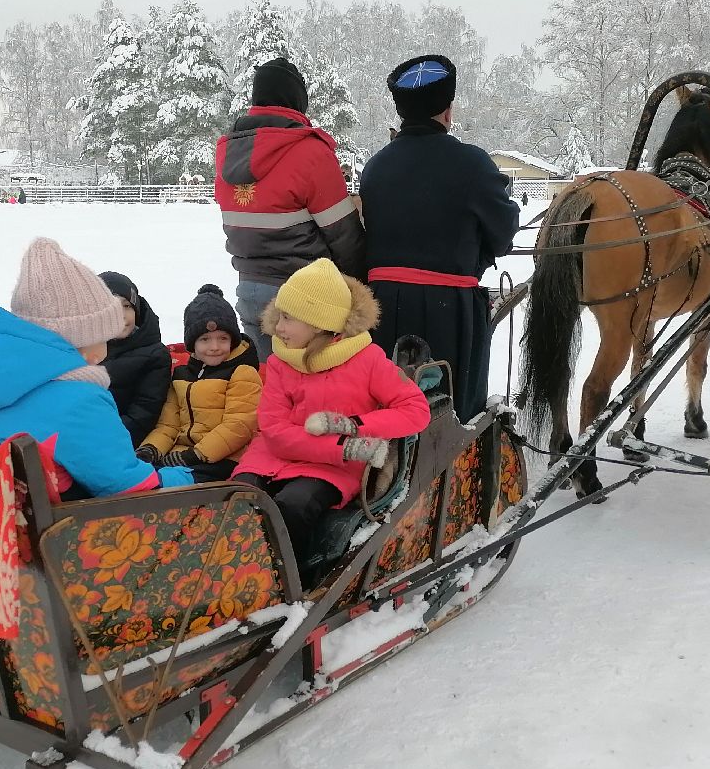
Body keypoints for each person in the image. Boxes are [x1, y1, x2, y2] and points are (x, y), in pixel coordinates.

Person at [233, 258, 430, 579]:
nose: (277, 327)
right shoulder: (282, 360)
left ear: (319, 323)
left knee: (292, 508)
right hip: (276, 455)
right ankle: (229, 574)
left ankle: (282, 582)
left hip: (331, 469)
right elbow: (273, 429)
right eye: (279, 316)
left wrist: (356, 428)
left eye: (287, 318)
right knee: (237, 500)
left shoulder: (367, 360)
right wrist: (340, 446)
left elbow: (415, 410)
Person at [0, 238, 193, 499]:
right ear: (83, 340)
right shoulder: (80, 400)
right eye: (103, 336)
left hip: (1, 516)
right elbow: (124, 483)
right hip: (63, 529)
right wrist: (179, 477)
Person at [357, 55, 520, 422]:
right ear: (447, 111)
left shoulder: (376, 166)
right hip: (451, 309)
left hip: (381, 308)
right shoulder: (472, 163)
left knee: (387, 407)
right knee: (452, 409)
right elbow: (503, 235)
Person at [214, 57, 366, 360]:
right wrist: (361, 286)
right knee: (309, 394)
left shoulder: (227, 154)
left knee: (270, 390)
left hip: (250, 288)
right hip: (304, 299)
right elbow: (344, 236)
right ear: (298, 100)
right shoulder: (309, 151)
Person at [137, 285, 262, 484]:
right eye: (205, 339)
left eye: (223, 339)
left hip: (224, 458)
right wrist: (150, 449)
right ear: (192, 343)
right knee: (138, 474)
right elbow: (168, 424)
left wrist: (196, 455)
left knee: (161, 483)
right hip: (181, 456)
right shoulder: (181, 375)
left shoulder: (242, 372)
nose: (214, 347)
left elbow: (239, 426)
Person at [97, 271, 172, 448]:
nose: (122, 315)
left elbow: (143, 414)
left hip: (119, 442)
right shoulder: (87, 347)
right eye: (112, 308)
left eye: (127, 306)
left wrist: (101, 440)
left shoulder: (154, 355)